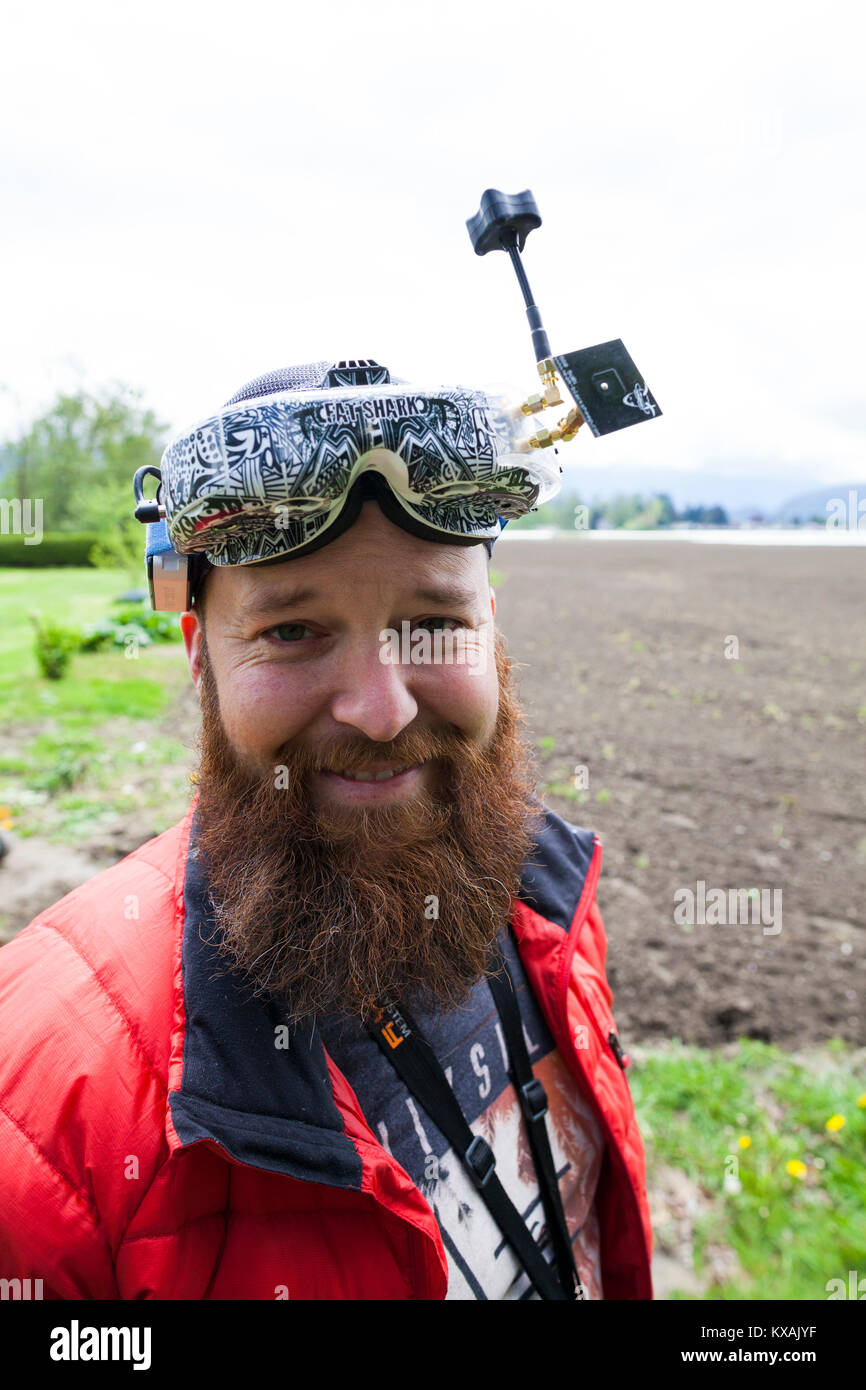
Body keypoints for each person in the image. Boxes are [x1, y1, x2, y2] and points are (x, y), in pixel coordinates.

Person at [0, 360, 653, 1300]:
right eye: (294, 632)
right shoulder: (51, 1118)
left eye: (433, 623)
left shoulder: (549, 900)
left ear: (491, 633)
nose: (382, 710)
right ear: (200, 660)